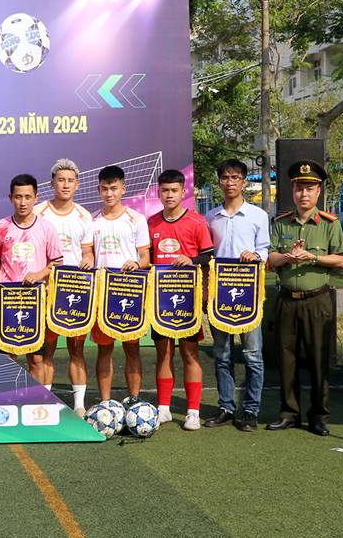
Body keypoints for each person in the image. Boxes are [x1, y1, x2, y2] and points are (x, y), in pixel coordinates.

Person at [267, 160, 343, 437]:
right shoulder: (280, 223)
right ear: (292, 190)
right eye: (300, 188)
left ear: (318, 191)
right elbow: (270, 259)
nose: (304, 194)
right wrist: (288, 256)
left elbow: (340, 260)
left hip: (317, 300)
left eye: (310, 188)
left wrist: (312, 256)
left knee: (318, 359)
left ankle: (318, 416)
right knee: (286, 359)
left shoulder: (329, 224)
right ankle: (289, 413)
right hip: (287, 300)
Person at [204, 159, 270, 432]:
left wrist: (255, 255)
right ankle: (226, 407)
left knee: (253, 355)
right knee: (222, 354)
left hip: (249, 296)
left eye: (235, 177)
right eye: (225, 177)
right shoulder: (210, 217)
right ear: (219, 182)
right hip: (219, 296)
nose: (230, 182)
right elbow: (206, 256)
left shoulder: (258, 216)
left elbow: (265, 252)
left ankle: (251, 410)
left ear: (244, 181)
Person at [147, 169, 214, 431]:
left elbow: (209, 256)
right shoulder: (151, 223)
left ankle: (193, 411)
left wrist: (192, 260)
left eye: (174, 190)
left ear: (183, 192)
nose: (170, 195)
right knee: (162, 353)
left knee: (189, 353)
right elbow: (146, 259)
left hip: (187, 300)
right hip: (159, 300)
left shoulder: (196, 222)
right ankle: (163, 408)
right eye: (165, 190)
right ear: (159, 192)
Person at [32, 159, 95, 415]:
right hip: (46, 291)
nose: (65, 184)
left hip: (75, 291)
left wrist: (88, 260)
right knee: (46, 348)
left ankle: (79, 405)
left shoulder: (84, 215)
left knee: (76, 348)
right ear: (52, 183)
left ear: (77, 184)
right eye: (61, 180)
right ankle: (45, 404)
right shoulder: (38, 212)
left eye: (70, 180)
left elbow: (88, 252)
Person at [0, 174, 62, 382]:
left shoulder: (46, 227)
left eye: (28, 197)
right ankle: (9, 403)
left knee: (37, 358)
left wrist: (38, 275)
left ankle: (38, 405)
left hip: (36, 301)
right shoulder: (0, 227)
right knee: (8, 356)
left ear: (36, 197)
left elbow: (56, 262)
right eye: (18, 197)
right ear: (10, 197)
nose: (23, 202)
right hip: (9, 300)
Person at [91, 165, 151, 403]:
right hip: (101, 295)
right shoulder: (92, 220)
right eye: (105, 188)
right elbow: (88, 255)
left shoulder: (136, 219)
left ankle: (134, 400)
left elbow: (145, 258)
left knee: (132, 349)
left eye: (114, 188)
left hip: (129, 293)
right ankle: (105, 403)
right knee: (104, 349)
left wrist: (137, 264)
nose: (109, 193)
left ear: (123, 189)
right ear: (99, 189)